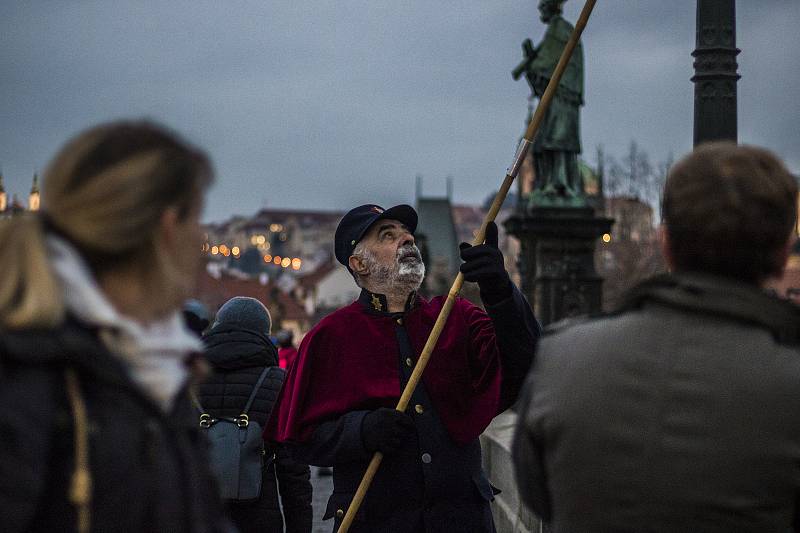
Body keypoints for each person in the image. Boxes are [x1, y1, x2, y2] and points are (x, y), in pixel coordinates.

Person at [513, 142, 800, 532]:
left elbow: (537, 495)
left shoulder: (562, 356)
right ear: (784, 253)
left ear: (665, 243)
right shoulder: (788, 380)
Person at [0, 121, 232, 531]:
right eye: (197, 218)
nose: (202, 238)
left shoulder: (155, 365)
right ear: (165, 229)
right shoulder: (26, 374)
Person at [267, 203, 541, 532]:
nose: (407, 238)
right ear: (358, 263)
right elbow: (300, 437)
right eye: (388, 235)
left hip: (460, 520)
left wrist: (501, 293)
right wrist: (361, 430)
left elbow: (525, 363)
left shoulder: (456, 317)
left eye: (407, 232)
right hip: (378, 521)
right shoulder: (330, 337)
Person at [198, 296, 312, 533]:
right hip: (258, 518)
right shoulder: (278, 382)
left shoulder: (187, 378)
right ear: (264, 333)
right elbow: (293, 473)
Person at [513, 0, 584, 203]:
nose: (539, 10)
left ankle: (558, 184)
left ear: (551, 7)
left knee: (556, 140)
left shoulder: (560, 30)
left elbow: (548, 63)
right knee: (543, 143)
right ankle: (550, 184)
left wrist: (532, 62)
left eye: (542, 6)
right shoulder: (555, 31)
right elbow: (545, 63)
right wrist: (532, 60)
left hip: (562, 99)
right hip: (555, 99)